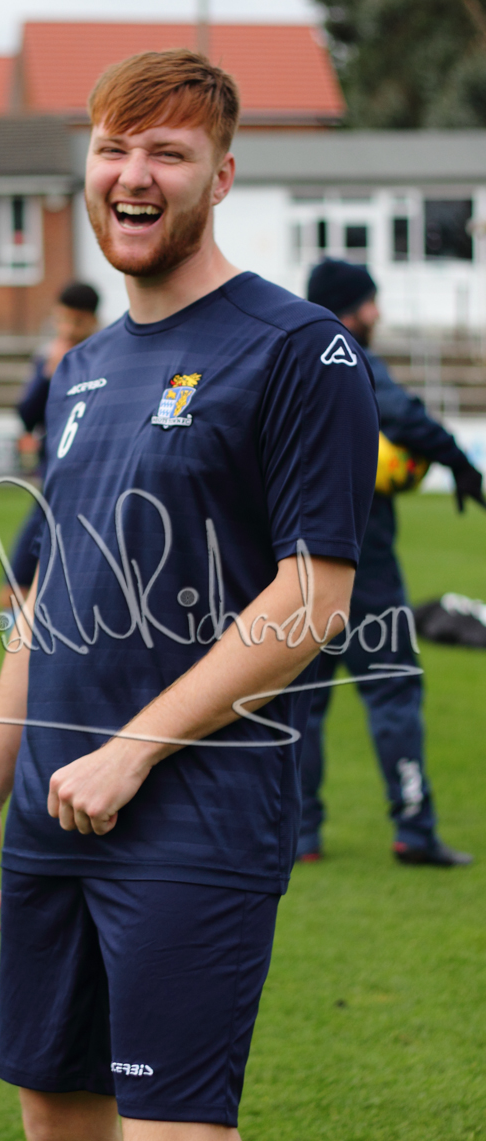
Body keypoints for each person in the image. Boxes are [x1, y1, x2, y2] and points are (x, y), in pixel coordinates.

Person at [0, 51, 379, 1141]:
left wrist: (132, 752)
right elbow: (48, 606)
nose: (133, 175)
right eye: (113, 149)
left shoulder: (299, 350)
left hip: (194, 806)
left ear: (220, 177)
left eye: (168, 153)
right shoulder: (78, 372)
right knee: (60, 1120)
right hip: (55, 809)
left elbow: (313, 599)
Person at [302, 258, 483, 867]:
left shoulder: (283, 357)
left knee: (304, 701)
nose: (377, 313)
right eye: (370, 302)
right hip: (361, 564)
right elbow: (404, 418)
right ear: (351, 307)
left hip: (294, 567)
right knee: (392, 691)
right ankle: (414, 829)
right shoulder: (344, 354)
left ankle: (301, 835)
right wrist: (459, 463)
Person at [3, 283, 101, 602]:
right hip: (56, 468)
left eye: (77, 322)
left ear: (93, 321)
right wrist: (49, 373)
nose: (68, 329)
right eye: (62, 320)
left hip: (95, 469)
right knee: (42, 525)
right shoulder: (49, 356)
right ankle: (17, 600)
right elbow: (27, 415)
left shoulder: (106, 356)